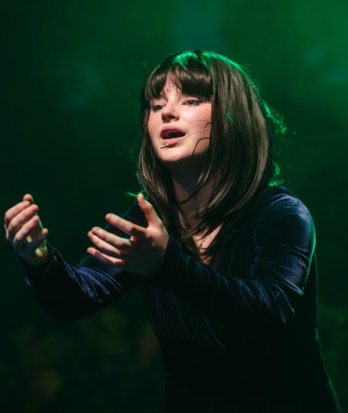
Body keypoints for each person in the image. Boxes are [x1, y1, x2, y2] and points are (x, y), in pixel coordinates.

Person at [4, 50, 340, 412]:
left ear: (232, 116)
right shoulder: (150, 220)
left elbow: (272, 313)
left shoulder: (282, 214)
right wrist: (39, 261)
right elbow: (75, 299)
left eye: (191, 99)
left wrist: (169, 266)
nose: (167, 112)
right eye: (155, 103)